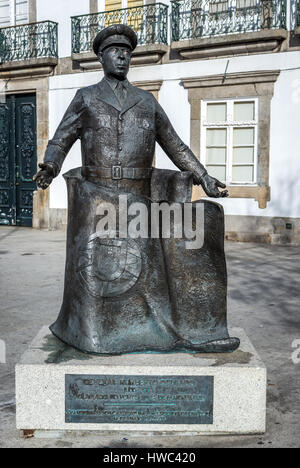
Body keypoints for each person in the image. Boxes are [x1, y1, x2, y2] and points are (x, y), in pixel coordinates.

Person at [34, 24, 239, 355]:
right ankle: (90, 332)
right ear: (101, 57)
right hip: (97, 197)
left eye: (127, 52)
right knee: (98, 274)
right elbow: (62, 137)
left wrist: (203, 176)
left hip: (139, 198)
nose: (122, 57)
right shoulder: (85, 97)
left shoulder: (146, 101)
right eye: (115, 51)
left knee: (147, 270)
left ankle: (175, 328)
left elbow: (175, 144)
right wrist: (50, 165)